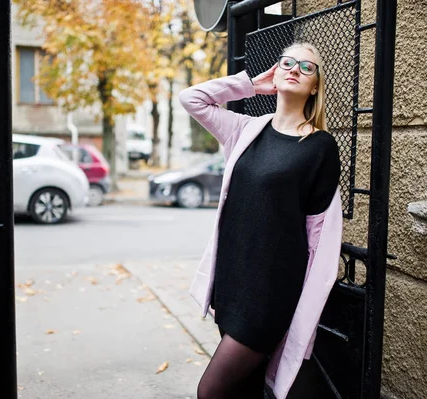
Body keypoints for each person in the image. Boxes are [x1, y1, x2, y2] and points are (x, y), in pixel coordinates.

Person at [179, 42, 344, 399]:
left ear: (315, 85)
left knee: (211, 390)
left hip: (270, 295)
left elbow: (318, 237)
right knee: (246, 390)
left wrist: (303, 306)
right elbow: (191, 98)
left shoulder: (320, 147)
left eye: (307, 66)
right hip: (232, 283)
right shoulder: (245, 129)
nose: (295, 69)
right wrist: (250, 85)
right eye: (287, 62)